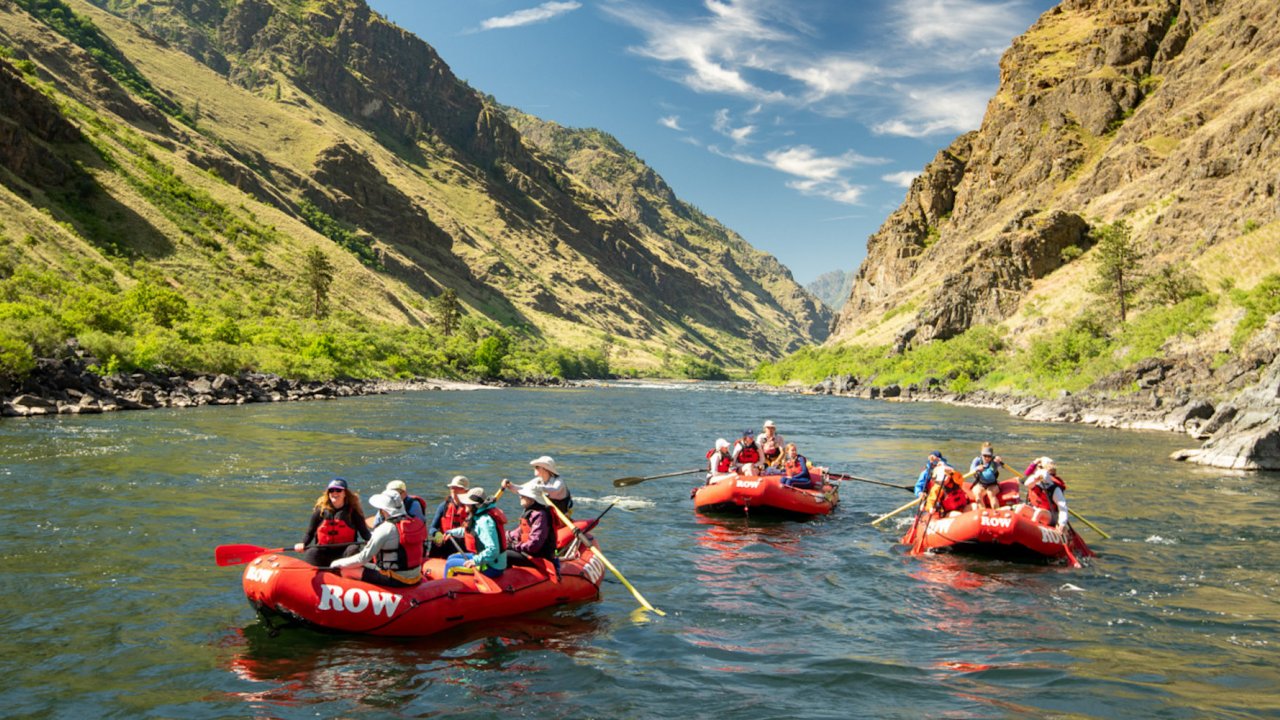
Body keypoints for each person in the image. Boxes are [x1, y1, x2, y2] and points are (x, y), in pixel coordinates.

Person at [330, 490, 426, 587]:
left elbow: (363, 558)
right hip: (415, 576)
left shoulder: (385, 528)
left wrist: (336, 563)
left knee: (346, 569)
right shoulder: (414, 522)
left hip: (397, 579)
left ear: (383, 510)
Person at [294, 478, 370, 567]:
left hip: (344, 552)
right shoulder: (320, 511)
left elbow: (364, 532)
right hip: (324, 551)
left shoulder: (353, 512)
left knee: (353, 549)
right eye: (331, 490)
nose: (334, 493)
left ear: (345, 493)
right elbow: (310, 533)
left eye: (338, 490)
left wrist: (371, 541)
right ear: (328, 493)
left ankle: (350, 575)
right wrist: (303, 543)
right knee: (312, 551)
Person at [443, 487, 509, 579]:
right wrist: (451, 532)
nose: (465, 506)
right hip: (486, 559)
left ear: (476, 506)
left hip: (492, 566)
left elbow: (493, 549)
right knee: (451, 558)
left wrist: (475, 561)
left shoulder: (484, 521)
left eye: (468, 504)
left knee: (450, 564)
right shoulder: (479, 516)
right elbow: (469, 531)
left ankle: (446, 589)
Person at [503, 479, 557, 571]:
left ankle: (506, 580)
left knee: (505, 555)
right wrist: (502, 537)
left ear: (532, 499)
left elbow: (534, 545)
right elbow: (518, 532)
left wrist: (514, 546)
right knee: (501, 549)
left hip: (539, 558)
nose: (520, 497)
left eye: (523, 496)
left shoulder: (540, 516)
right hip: (527, 553)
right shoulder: (530, 512)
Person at [427, 475, 470, 558]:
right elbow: (432, 528)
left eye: (458, 488)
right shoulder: (443, 506)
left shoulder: (471, 507)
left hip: (463, 545)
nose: (454, 490)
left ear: (466, 491)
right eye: (452, 488)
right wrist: (437, 534)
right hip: (446, 543)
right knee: (436, 543)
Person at [1025, 459, 1069, 530]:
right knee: (1021, 507)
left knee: (1039, 512)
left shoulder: (1054, 489)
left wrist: (1062, 523)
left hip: (1051, 515)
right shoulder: (1034, 483)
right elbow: (1026, 482)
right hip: (1035, 509)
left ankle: (1031, 530)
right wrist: (1036, 478)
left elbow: (1063, 508)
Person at [529, 455, 572, 523]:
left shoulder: (559, 481)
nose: (534, 468)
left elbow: (555, 489)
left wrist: (539, 487)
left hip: (561, 517)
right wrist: (510, 485)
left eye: (537, 467)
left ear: (545, 469)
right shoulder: (538, 480)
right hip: (549, 515)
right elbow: (523, 488)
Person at [968, 443, 1004, 510]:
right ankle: (983, 511)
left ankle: (996, 512)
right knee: (977, 495)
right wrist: (977, 469)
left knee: (990, 493)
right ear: (981, 454)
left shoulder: (994, 461)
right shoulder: (977, 460)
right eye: (985, 456)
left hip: (993, 484)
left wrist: (1000, 461)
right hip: (980, 484)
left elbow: (1002, 466)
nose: (987, 458)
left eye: (989, 456)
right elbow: (971, 471)